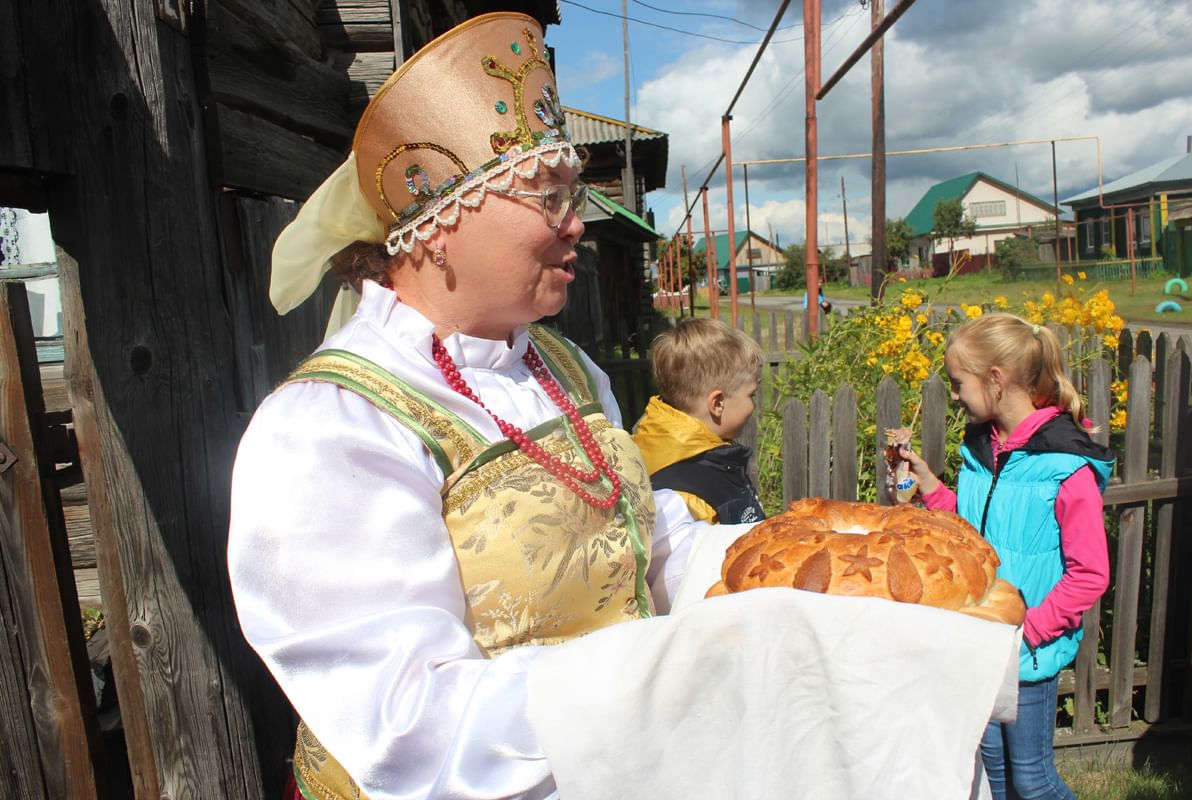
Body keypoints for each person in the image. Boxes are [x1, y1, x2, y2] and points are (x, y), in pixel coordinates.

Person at [227, 13, 1021, 800]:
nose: (579, 225)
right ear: (437, 226)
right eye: (550, 197)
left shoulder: (563, 368)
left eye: (575, 194)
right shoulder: (329, 429)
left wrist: (818, 567)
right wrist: (685, 672)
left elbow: (646, 544)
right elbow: (407, 725)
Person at [898, 313, 1114, 800]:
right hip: (981, 641)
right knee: (994, 779)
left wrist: (1030, 633)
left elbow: (1090, 574)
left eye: (958, 384)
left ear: (995, 380)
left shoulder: (1065, 466)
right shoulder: (983, 449)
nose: (954, 396)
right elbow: (977, 533)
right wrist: (929, 485)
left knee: (1033, 783)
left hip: (1027, 652)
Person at [632, 317, 766, 525]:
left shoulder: (710, 453)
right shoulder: (685, 499)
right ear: (717, 403)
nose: (753, 406)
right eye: (751, 395)